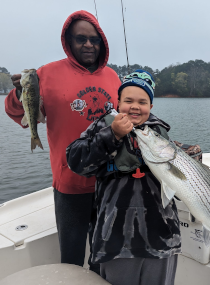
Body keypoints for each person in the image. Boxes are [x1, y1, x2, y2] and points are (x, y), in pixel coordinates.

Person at [5, 10, 121, 272]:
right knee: (71, 258)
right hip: (70, 183)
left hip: (109, 182)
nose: (89, 44)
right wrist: (19, 93)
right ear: (69, 41)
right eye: (81, 39)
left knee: (106, 255)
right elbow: (16, 112)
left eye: (94, 39)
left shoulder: (113, 77)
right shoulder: (45, 74)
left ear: (102, 41)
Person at [66, 69, 181, 285]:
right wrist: (113, 135)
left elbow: (177, 178)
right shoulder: (104, 125)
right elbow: (75, 160)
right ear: (118, 102)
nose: (135, 106)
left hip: (161, 236)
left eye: (143, 101)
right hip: (115, 239)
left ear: (151, 107)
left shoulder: (158, 131)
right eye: (128, 100)